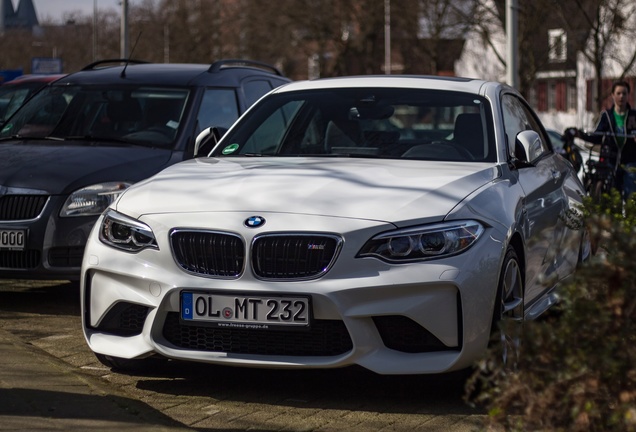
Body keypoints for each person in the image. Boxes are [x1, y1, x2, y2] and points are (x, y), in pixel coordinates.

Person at [576, 80, 636, 199]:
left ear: (628, 95)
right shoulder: (607, 116)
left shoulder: (634, 116)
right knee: (613, 195)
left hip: (630, 160)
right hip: (611, 162)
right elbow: (597, 136)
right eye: (618, 93)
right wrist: (580, 135)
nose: (621, 96)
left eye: (624, 93)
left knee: (631, 193)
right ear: (613, 95)